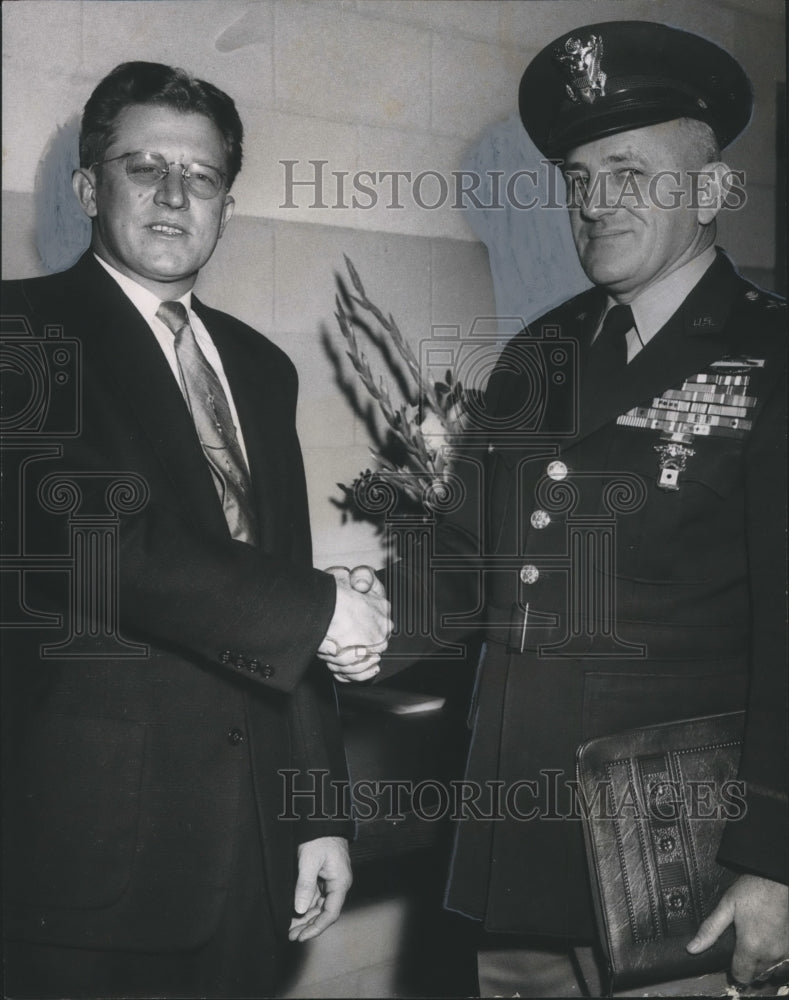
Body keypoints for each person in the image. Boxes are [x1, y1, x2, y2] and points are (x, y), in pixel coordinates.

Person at [339, 20, 788, 997]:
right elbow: (463, 562)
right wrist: (350, 620)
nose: (594, 201)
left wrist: (777, 857)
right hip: (521, 846)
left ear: (712, 190)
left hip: (685, 863)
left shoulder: (772, 353)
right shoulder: (538, 352)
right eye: (579, 179)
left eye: (628, 171)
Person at [1, 61, 391, 998]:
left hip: (252, 848)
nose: (176, 196)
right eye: (145, 168)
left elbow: (278, 574)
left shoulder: (260, 367)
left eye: (203, 176)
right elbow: (95, 540)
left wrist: (320, 813)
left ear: (226, 201)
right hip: (85, 851)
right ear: (90, 187)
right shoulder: (22, 335)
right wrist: (323, 608)